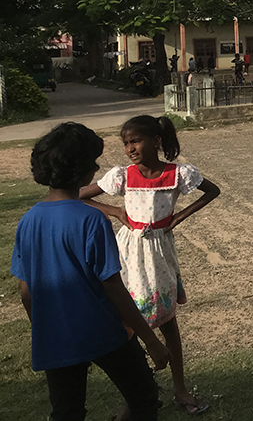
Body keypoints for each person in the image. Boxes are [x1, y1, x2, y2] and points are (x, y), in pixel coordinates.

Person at [11, 123, 170, 421]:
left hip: (56, 336)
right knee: (144, 398)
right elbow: (112, 287)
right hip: (103, 332)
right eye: (93, 162)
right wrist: (150, 340)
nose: (97, 167)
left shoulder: (28, 221)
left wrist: (45, 330)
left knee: (67, 411)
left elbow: (26, 292)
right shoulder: (91, 219)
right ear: (81, 169)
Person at [80, 115, 220, 417]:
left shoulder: (179, 174)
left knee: (167, 320)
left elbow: (213, 191)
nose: (130, 148)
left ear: (155, 141)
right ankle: (137, 396)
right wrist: (115, 210)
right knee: (129, 322)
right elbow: (77, 197)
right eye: (126, 143)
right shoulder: (123, 176)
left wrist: (179, 217)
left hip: (160, 252)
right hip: (129, 251)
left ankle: (179, 388)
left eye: (136, 141)